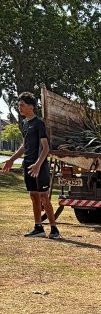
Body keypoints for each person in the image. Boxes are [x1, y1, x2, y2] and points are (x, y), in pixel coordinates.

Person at [2, 92, 60, 239]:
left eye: (22, 105)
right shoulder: (25, 124)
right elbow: (24, 146)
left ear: (31, 107)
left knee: (43, 197)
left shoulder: (38, 123)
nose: (19, 108)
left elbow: (46, 148)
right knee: (33, 196)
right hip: (28, 164)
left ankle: (54, 230)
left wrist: (38, 164)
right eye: (18, 105)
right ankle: (38, 227)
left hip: (39, 165)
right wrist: (11, 160)